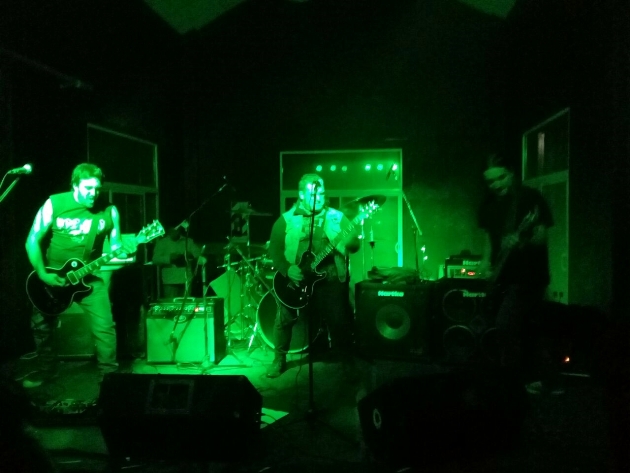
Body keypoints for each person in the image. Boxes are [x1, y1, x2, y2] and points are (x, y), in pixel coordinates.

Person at [24, 163, 134, 386]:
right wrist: (43, 274)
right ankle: (47, 371)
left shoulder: (109, 211)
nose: (93, 194)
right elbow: (32, 240)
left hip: (89, 279)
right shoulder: (55, 203)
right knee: (41, 327)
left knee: (105, 328)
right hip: (53, 278)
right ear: (74, 185)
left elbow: (116, 248)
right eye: (88, 188)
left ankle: (109, 379)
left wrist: (127, 252)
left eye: (97, 188)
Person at [266, 173, 360, 378]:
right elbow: (275, 249)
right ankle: (279, 359)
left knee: (339, 321)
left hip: (330, 279)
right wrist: (286, 269)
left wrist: (352, 242)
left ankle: (347, 361)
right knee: (284, 318)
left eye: (322, 194)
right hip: (297, 278)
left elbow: (354, 245)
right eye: (313, 195)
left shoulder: (337, 217)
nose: (319, 198)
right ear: (301, 194)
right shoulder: (286, 220)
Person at [477, 154, 554, 379]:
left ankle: (516, 379)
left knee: (507, 326)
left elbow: (541, 238)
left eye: (500, 178)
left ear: (511, 173)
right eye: (490, 181)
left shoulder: (530, 198)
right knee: (514, 328)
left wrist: (521, 242)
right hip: (502, 275)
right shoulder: (488, 204)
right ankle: (527, 377)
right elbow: (488, 237)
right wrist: (485, 262)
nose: (495, 185)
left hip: (528, 276)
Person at [152, 225, 206, 299]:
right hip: (170, 281)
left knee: (187, 303)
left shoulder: (188, 241)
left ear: (179, 230)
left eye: (176, 230)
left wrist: (190, 254)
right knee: (171, 303)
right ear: (168, 231)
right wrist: (170, 258)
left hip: (186, 279)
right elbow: (155, 259)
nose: (174, 232)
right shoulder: (162, 243)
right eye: (172, 231)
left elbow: (198, 254)